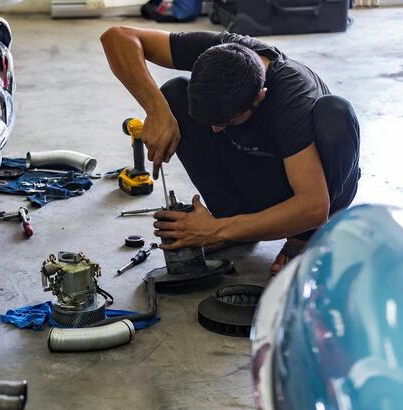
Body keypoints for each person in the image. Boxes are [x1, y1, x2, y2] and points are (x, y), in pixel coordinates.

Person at [100, 27, 360, 273]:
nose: (214, 131)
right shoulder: (220, 52)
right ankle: (233, 217)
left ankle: (305, 238)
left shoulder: (292, 99)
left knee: (335, 113)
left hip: (308, 188)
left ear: (260, 97)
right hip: (256, 169)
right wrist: (156, 110)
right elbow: (117, 37)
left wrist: (216, 230)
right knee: (173, 94)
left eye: (225, 122)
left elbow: (314, 206)